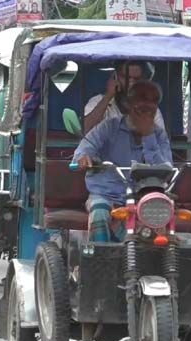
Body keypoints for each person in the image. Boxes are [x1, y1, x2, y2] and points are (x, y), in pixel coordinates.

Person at [73, 81, 172, 242]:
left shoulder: (159, 135)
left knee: (159, 222)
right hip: (106, 195)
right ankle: (101, 261)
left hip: (143, 197)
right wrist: (84, 158)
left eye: (153, 100)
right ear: (129, 103)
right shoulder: (109, 127)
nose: (148, 104)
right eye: (142, 98)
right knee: (99, 212)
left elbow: (165, 171)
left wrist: (148, 135)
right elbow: (83, 150)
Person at [83, 61, 165, 134]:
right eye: (126, 78)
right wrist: (108, 97)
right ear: (115, 77)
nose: (131, 83)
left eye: (136, 79)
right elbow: (85, 130)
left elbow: (161, 141)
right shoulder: (98, 101)